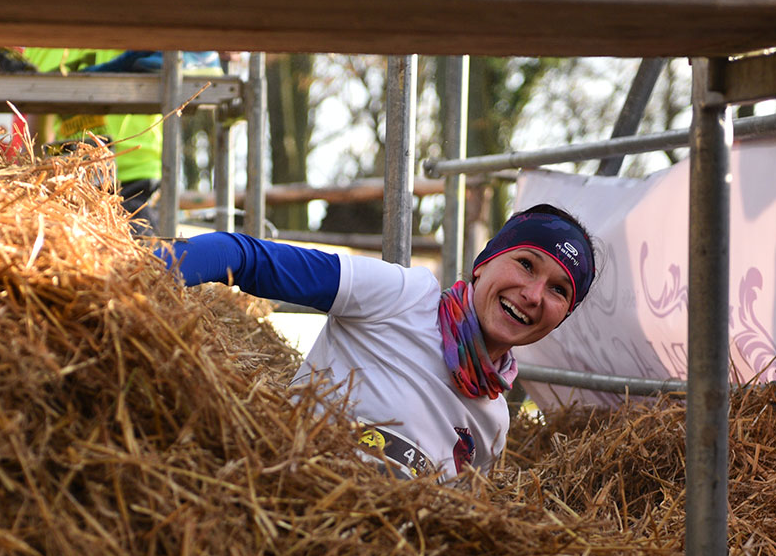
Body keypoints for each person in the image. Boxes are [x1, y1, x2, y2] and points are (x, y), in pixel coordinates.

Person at [156, 204, 596, 482]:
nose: (534, 294)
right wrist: (128, 273)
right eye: (525, 263)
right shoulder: (403, 295)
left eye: (559, 290)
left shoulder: (495, 419)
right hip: (282, 500)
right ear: (483, 264)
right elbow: (243, 257)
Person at [22, 47, 225, 238]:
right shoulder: (40, 45)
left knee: (135, 261)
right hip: (73, 180)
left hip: (134, 177)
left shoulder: (119, 23)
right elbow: (39, 127)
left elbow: (203, 68)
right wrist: (36, 177)